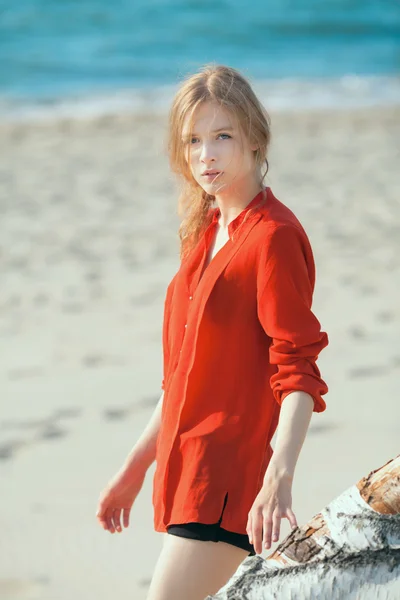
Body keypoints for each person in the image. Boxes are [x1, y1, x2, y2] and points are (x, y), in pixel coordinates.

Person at [96, 64, 329, 600]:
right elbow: (179, 378)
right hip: (186, 473)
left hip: (231, 479)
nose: (207, 155)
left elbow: (297, 372)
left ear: (254, 139)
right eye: (194, 141)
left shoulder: (273, 238)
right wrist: (134, 471)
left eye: (222, 136)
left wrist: (280, 476)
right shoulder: (204, 232)